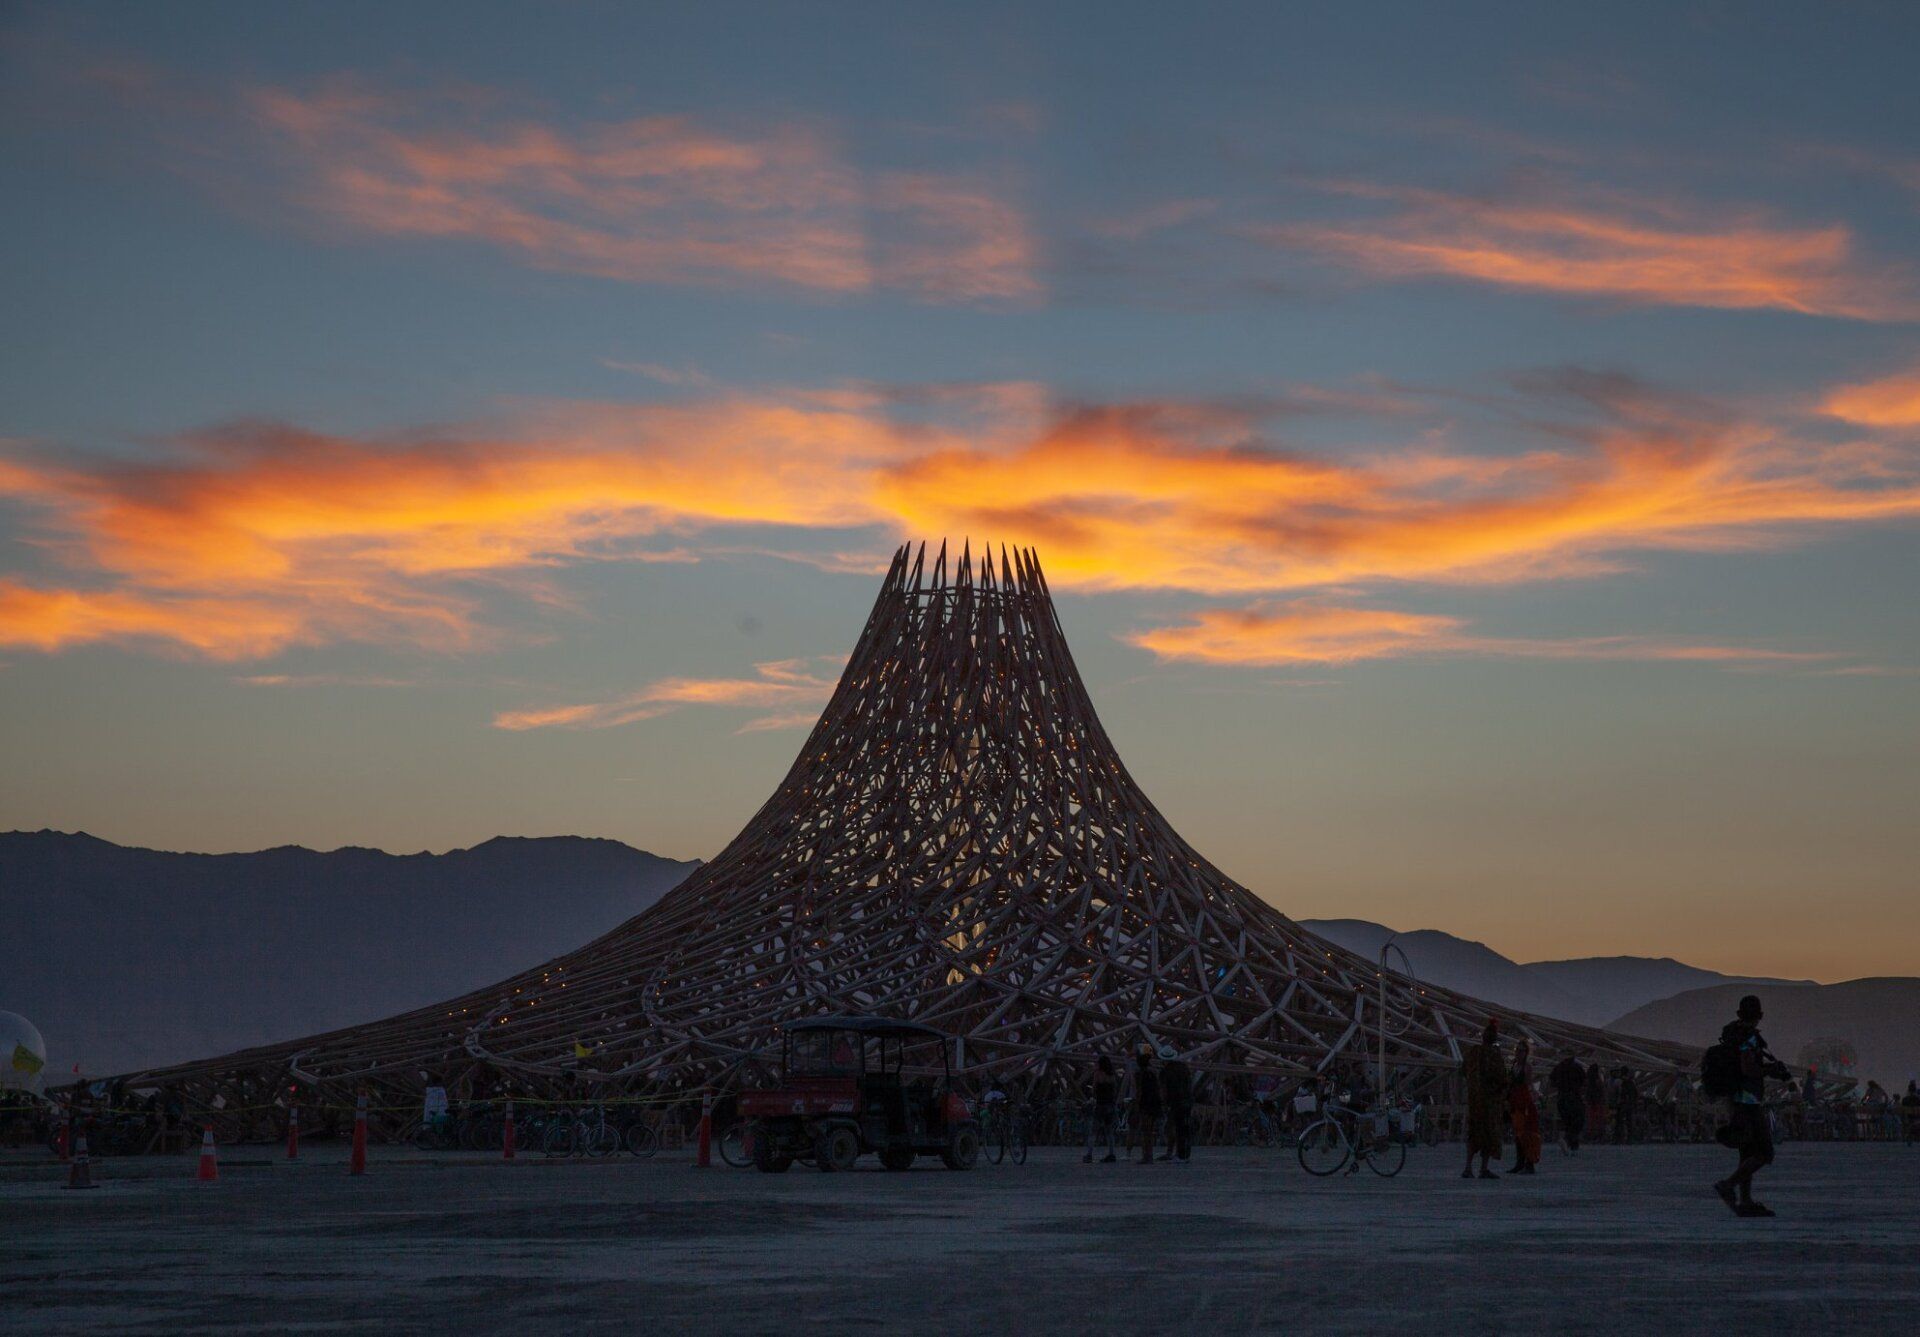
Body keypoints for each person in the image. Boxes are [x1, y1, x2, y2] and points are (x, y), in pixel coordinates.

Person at [1713, 994, 1792, 1218]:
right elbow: (1748, 1068)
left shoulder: (1731, 1034)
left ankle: (1746, 1201)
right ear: (1760, 1015)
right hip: (1748, 1101)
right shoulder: (1749, 1038)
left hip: (1734, 1098)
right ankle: (1728, 1185)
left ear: (1739, 1014)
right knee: (1765, 1152)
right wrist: (1770, 1070)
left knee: (1747, 1151)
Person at [1461, 1018, 1506, 1179]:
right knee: (1488, 1133)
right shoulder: (1494, 1054)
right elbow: (1501, 1077)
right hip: (1489, 1102)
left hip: (1475, 1101)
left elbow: (1463, 1071)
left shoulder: (1473, 1052)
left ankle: (1468, 1167)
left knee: (1474, 1133)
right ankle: (1483, 1168)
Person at [1508, 1039, 1542, 1174]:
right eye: (1516, 1050)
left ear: (1526, 1053)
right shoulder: (1514, 1065)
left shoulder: (1527, 1067)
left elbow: (1528, 1084)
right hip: (1515, 1100)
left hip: (1524, 1101)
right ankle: (1520, 1162)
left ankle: (1529, 1163)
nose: (1518, 1053)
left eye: (1521, 1051)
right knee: (1518, 1133)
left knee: (1527, 1133)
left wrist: (1534, 1096)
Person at [1159, 1045, 1193, 1162]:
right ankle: (1185, 1154)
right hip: (1187, 1100)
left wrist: (1164, 1103)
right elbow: (1189, 1083)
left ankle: (1179, 1155)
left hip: (1175, 1102)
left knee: (1176, 1128)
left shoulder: (1165, 1072)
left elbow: (1164, 1090)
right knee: (1185, 1128)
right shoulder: (1184, 1068)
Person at [1083, 1056, 1118, 1163]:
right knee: (1109, 1132)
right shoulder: (1112, 1075)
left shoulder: (1098, 1074)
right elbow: (1114, 1090)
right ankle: (1111, 1154)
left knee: (1093, 1131)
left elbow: (1094, 1089)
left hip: (1100, 1105)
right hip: (1110, 1105)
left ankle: (1089, 1154)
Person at [1549, 1052, 1586, 1153]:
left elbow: (1552, 1082)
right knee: (1578, 1120)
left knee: (1567, 1121)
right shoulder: (1577, 1067)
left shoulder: (1558, 1067)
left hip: (1562, 1097)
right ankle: (1570, 1141)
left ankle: (1569, 1142)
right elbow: (1584, 1081)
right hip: (1574, 1097)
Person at [1133, 1046, 1162, 1165]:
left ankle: (1146, 1155)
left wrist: (1136, 1104)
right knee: (1149, 1130)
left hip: (1145, 1103)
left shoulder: (1139, 1073)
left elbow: (1139, 1090)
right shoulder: (1153, 1072)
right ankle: (1149, 1155)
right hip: (1154, 1102)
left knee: (1145, 1130)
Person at [1584, 1057, 1608, 1144]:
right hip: (1597, 1103)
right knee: (1598, 1119)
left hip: (1591, 1102)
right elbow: (1602, 1091)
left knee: (1591, 1120)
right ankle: (1598, 1136)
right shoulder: (1598, 1081)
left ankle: (1590, 1135)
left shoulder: (1588, 1081)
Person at [1614, 1068, 1639, 1144]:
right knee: (1629, 1121)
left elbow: (1614, 1092)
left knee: (1619, 1121)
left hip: (1621, 1104)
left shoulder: (1618, 1081)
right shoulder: (1631, 1082)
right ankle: (1630, 1138)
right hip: (1629, 1104)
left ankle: (1618, 1138)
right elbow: (1635, 1093)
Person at [1901, 1080, 1920, 1146]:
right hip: (1915, 1117)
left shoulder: (1905, 1099)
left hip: (1908, 1117)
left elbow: (1903, 1109)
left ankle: (1908, 1136)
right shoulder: (1917, 1099)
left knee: (1909, 1124)